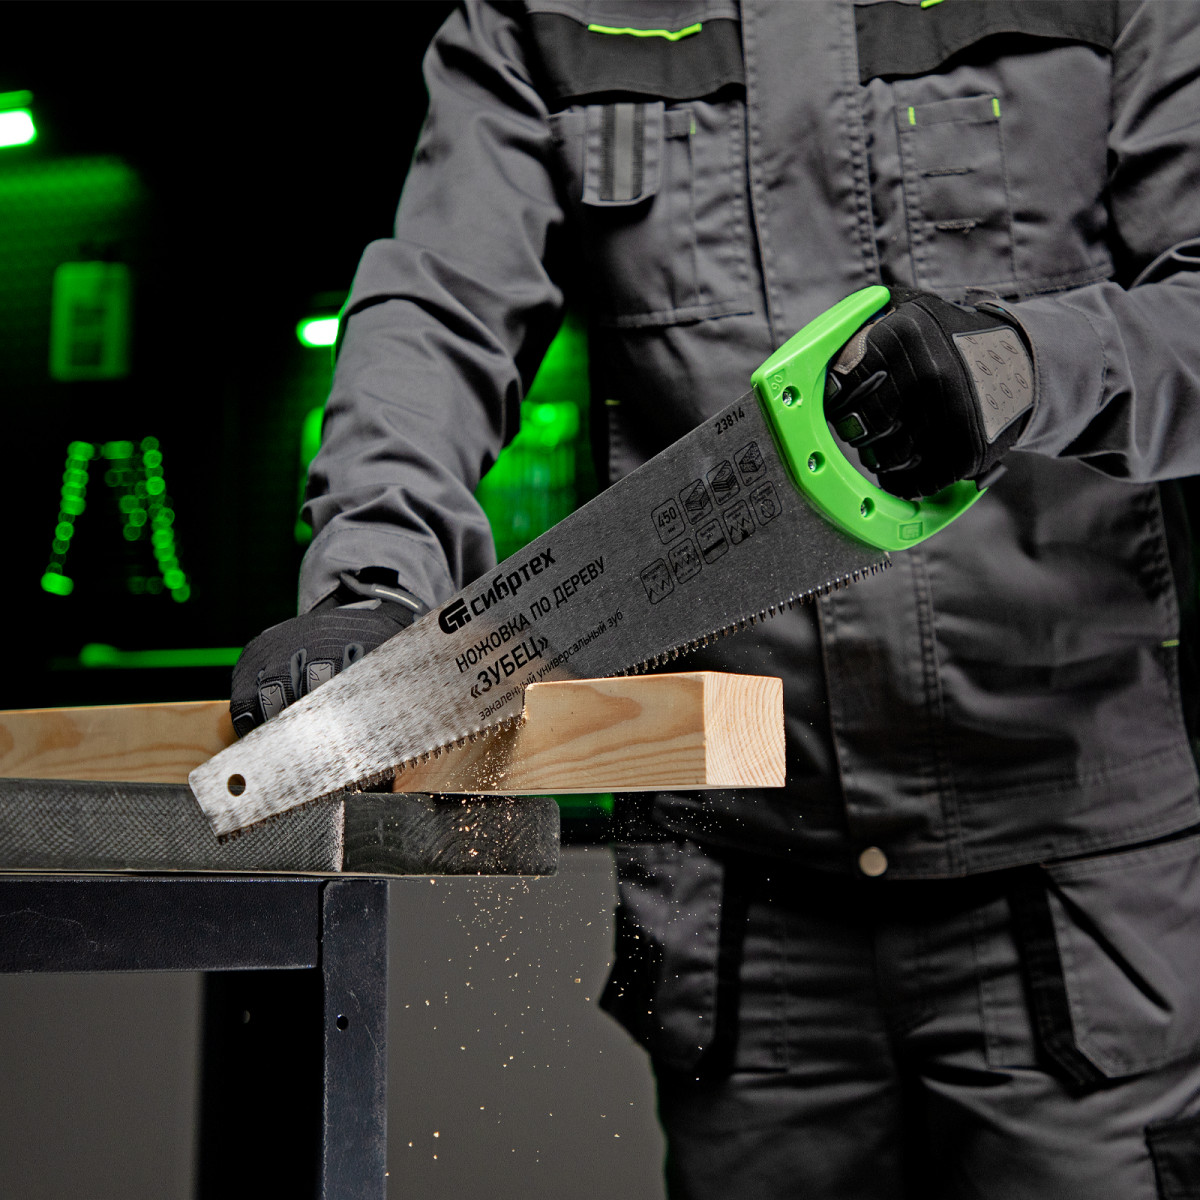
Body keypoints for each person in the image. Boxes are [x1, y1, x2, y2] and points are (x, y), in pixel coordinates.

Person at [230, 3, 1200, 1196]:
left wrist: (1031, 363)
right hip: (747, 915)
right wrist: (371, 583)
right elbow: (440, 308)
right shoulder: (540, 17)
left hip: (1072, 890)